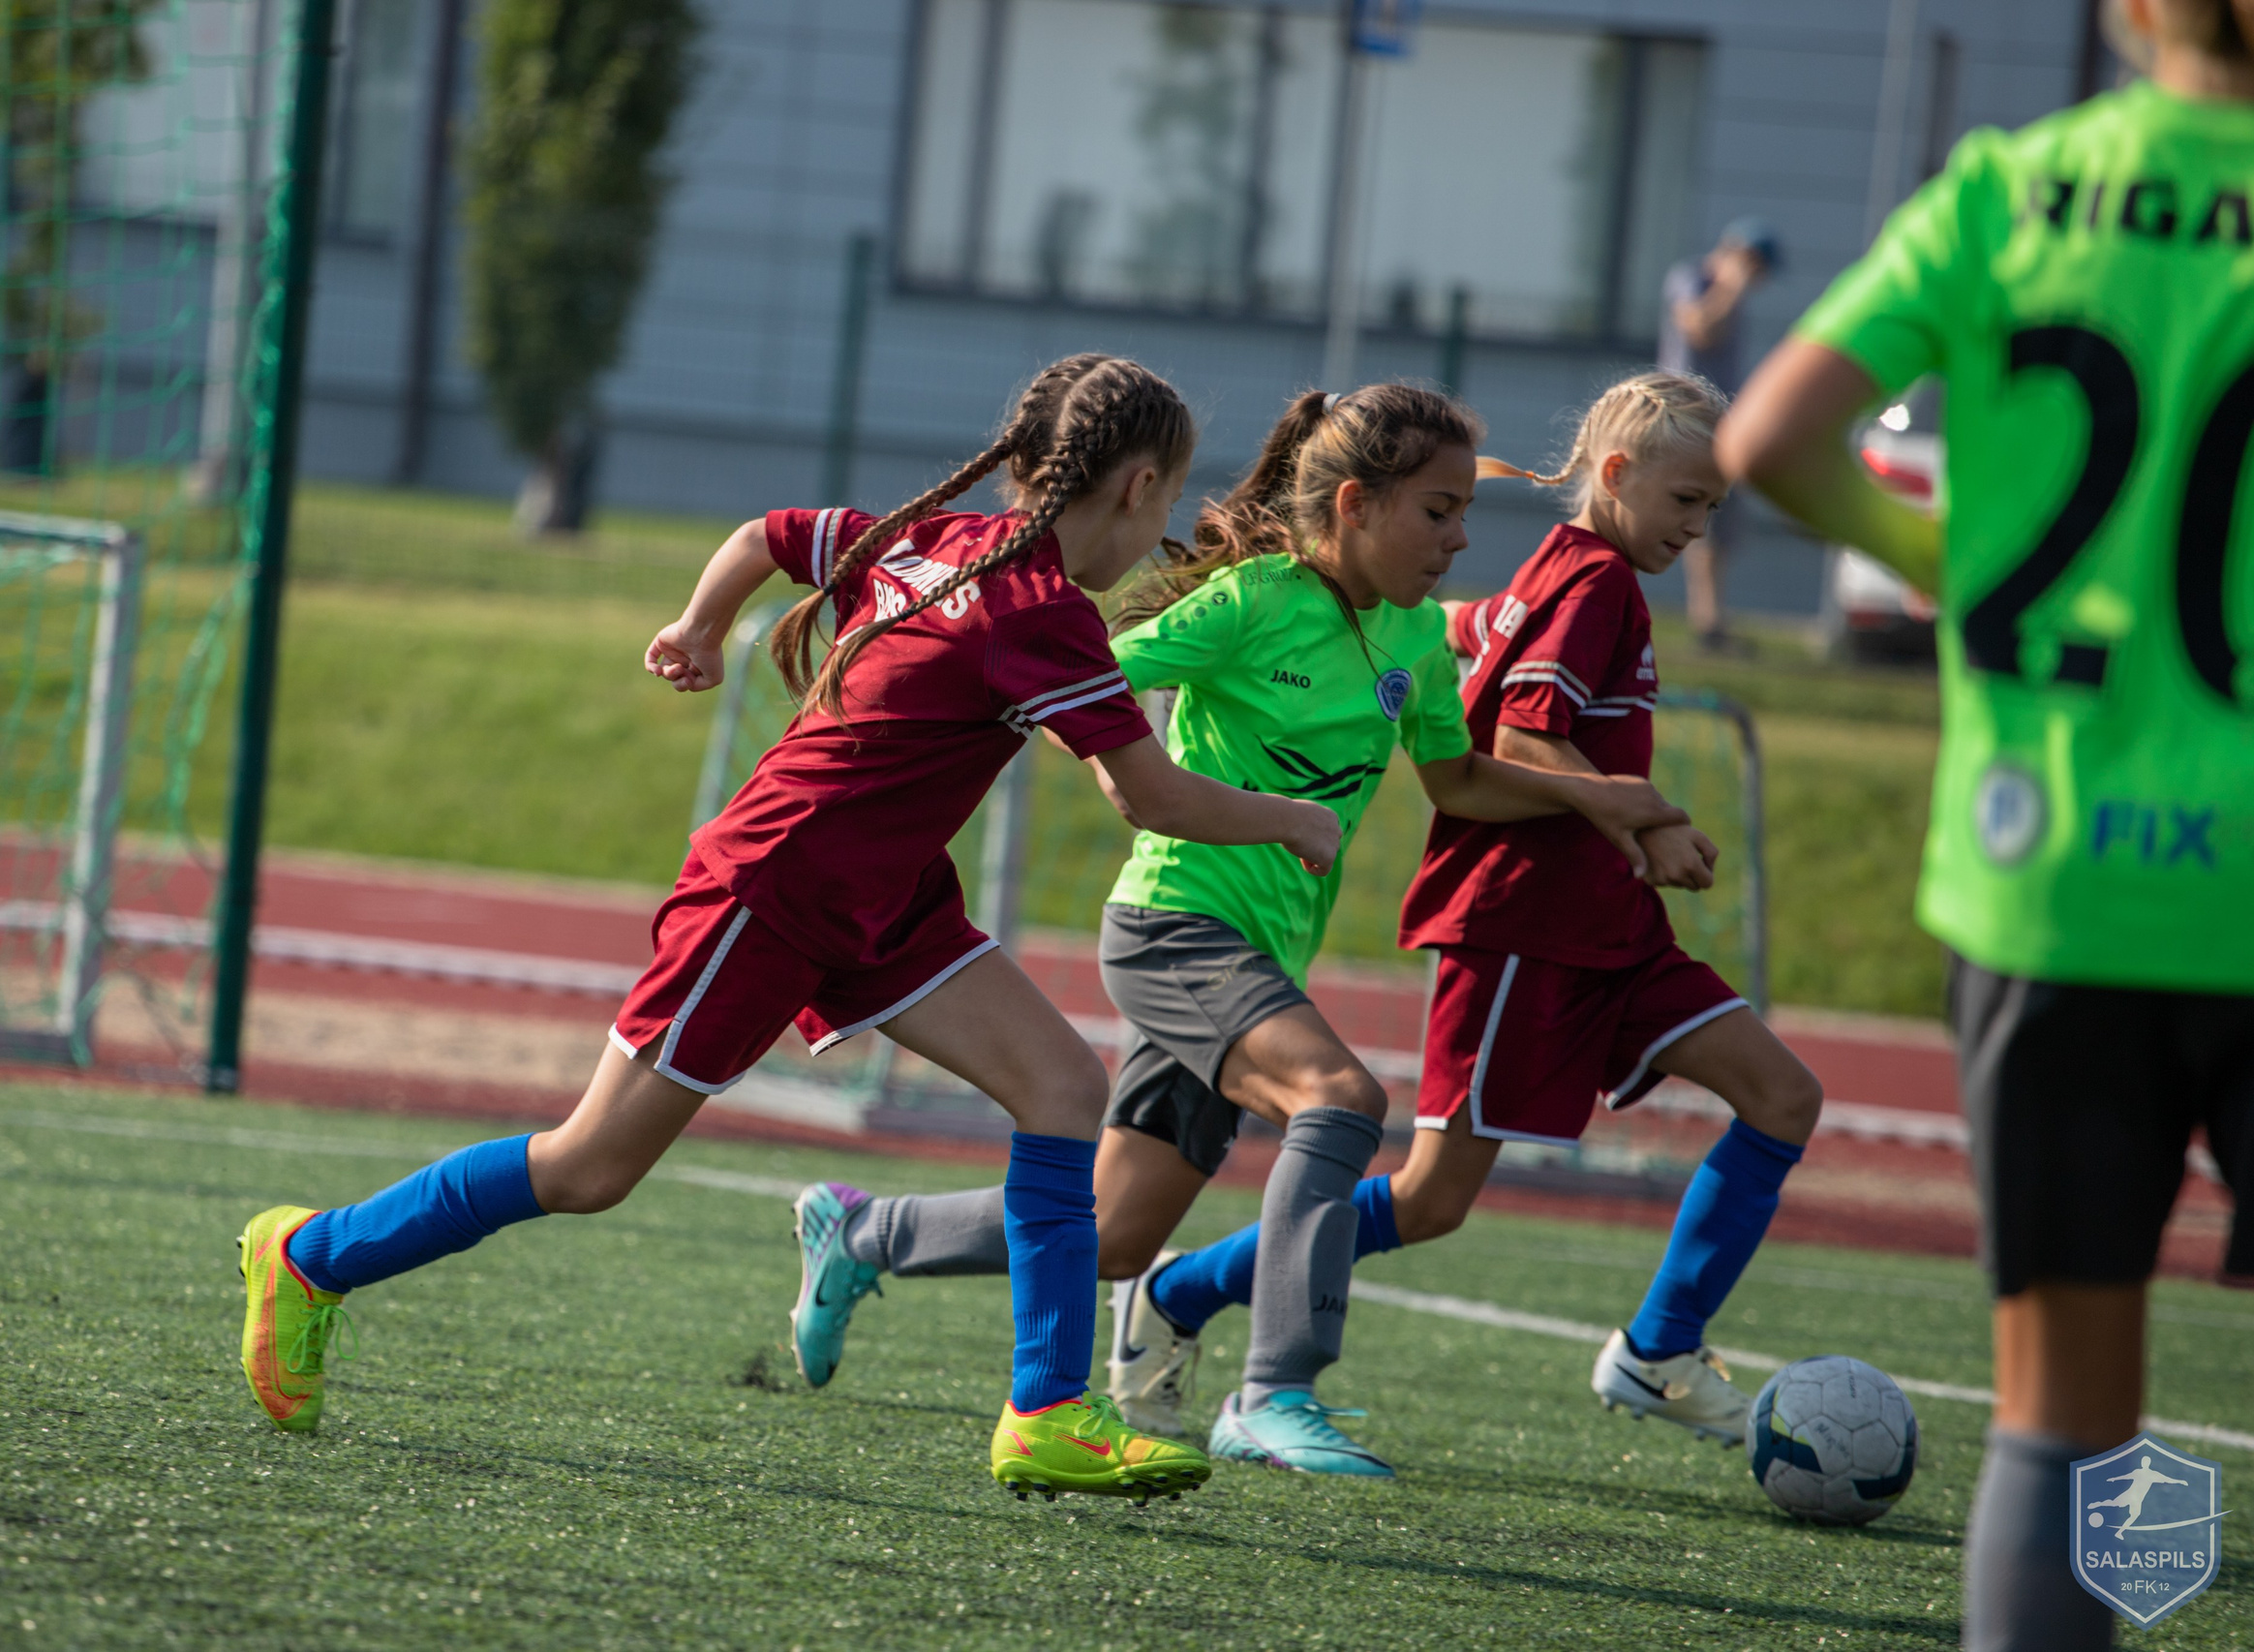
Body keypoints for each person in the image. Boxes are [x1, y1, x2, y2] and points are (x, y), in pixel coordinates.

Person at [233, 354, 1352, 1507]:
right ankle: (311, 1255)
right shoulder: (1037, 611)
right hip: (769, 891)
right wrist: (1292, 818)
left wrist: (699, 624)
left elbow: (768, 534)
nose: (1162, 526)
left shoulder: (935, 540)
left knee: (1064, 1089)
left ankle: (1048, 1411)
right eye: (1169, 499)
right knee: (588, 1165)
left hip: (880, 896)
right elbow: (1146, 794)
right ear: (1138, 484)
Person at [785, 383, 1687, 1476]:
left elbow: (1455, 781)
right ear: (1355, 505)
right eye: (1438, 511)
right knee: (1340, 1097)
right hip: (1177, 926)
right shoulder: (1254, 601)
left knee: (1114, 1229)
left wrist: (1609, 801)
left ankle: (861, 1233)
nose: (1459, 539)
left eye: (1463, 513)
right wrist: (1129, 773)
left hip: (1259, 956)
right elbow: (1088, 673)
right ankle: (1272, 1392)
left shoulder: (1413, 634)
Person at [1717, 2, 2254, 1643]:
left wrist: (1953, 567)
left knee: (2067, 1404)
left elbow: (1770, 438)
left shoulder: (2009, 192)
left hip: (2052, 879)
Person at [1146, 372, 1827, 1448]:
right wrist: (1641, 817)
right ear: (1616, 474)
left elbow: (1476, 639)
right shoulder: (1595, 581)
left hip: (1608, 925)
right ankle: (1182, 1293)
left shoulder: (1574, 568)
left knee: (1782, 1094)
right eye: (1687, 500)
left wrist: (1625, 824)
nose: (1699, 527)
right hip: (1526, 926)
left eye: (1713, 506)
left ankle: (1658, 1347)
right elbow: (1519, 735)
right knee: (1428, 1200)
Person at [1660, 218, 1780, 651]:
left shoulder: (1734, 297)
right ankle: (1707, 623)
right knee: (1691, 514)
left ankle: (1711, 621)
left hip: (1720, 423)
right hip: (1685, 420)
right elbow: (1700, 328)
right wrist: (1730, 286)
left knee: (1717, 519)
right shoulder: (1691, 278)